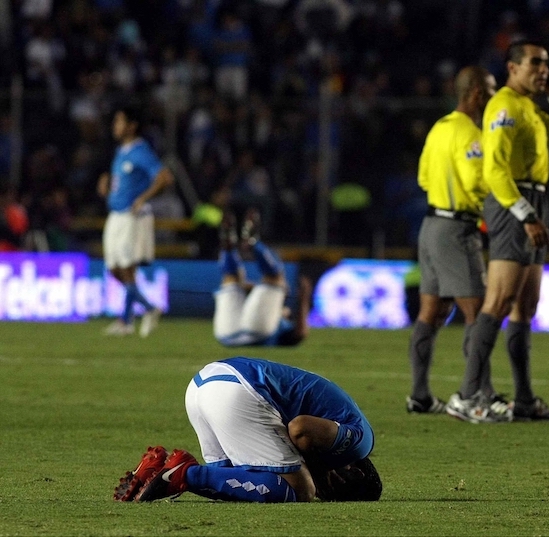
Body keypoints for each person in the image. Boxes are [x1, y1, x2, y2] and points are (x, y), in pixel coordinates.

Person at [447, 40, 549, 423]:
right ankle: (466, 394)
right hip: (514, 203)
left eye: (546, 63)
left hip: (535, 201)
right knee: (500, 301)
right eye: (536, 63)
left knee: (526, 306)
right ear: (513, 68)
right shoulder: (504, 105)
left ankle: (524, 399)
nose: (543, 69)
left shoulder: (530, 105)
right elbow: (495, 170)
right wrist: (525, 214)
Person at [113, 356, 382, 503]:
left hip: (203, 384)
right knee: (301, 490)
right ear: (355, 470)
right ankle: (185, 473)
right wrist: (316, 473)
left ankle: (158, 470)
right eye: (337, 489)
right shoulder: (360, 441)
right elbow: (300, 429)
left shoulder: (344, 427)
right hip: (241, 391)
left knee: (238, 482)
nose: (327, 491)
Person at [406, 65, 503, 415]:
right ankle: (480, 396)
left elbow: (423, 178)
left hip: (431, 224)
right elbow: (477, 182)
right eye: (492, 90)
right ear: (477, 93)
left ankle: (419, 395)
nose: (495, 97)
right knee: (480, 313)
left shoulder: (439, 128)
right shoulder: (471, 135)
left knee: (431, 311)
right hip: (458, 230)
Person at [98, 104, 174, 337]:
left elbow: (164, 177)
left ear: (132, 126)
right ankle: (149, 308)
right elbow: (123, 181)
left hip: (130, 216)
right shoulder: (122, 150)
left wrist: (143, 198)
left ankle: (125, 321)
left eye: (120, 121)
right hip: (116, 214)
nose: (115, 126)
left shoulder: (141, 151)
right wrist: (107, 186)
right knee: (113, 269)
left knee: (127, 267)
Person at [214, 209, 310, 347]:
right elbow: (300, 334)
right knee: (240, 280)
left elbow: (299, 333)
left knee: (234, 279)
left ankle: (233, 247)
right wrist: (304, 298)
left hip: (229, 334)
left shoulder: (282, 325)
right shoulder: (276, 321)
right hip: (241, 333)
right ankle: (246, 245)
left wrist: (303, 300)